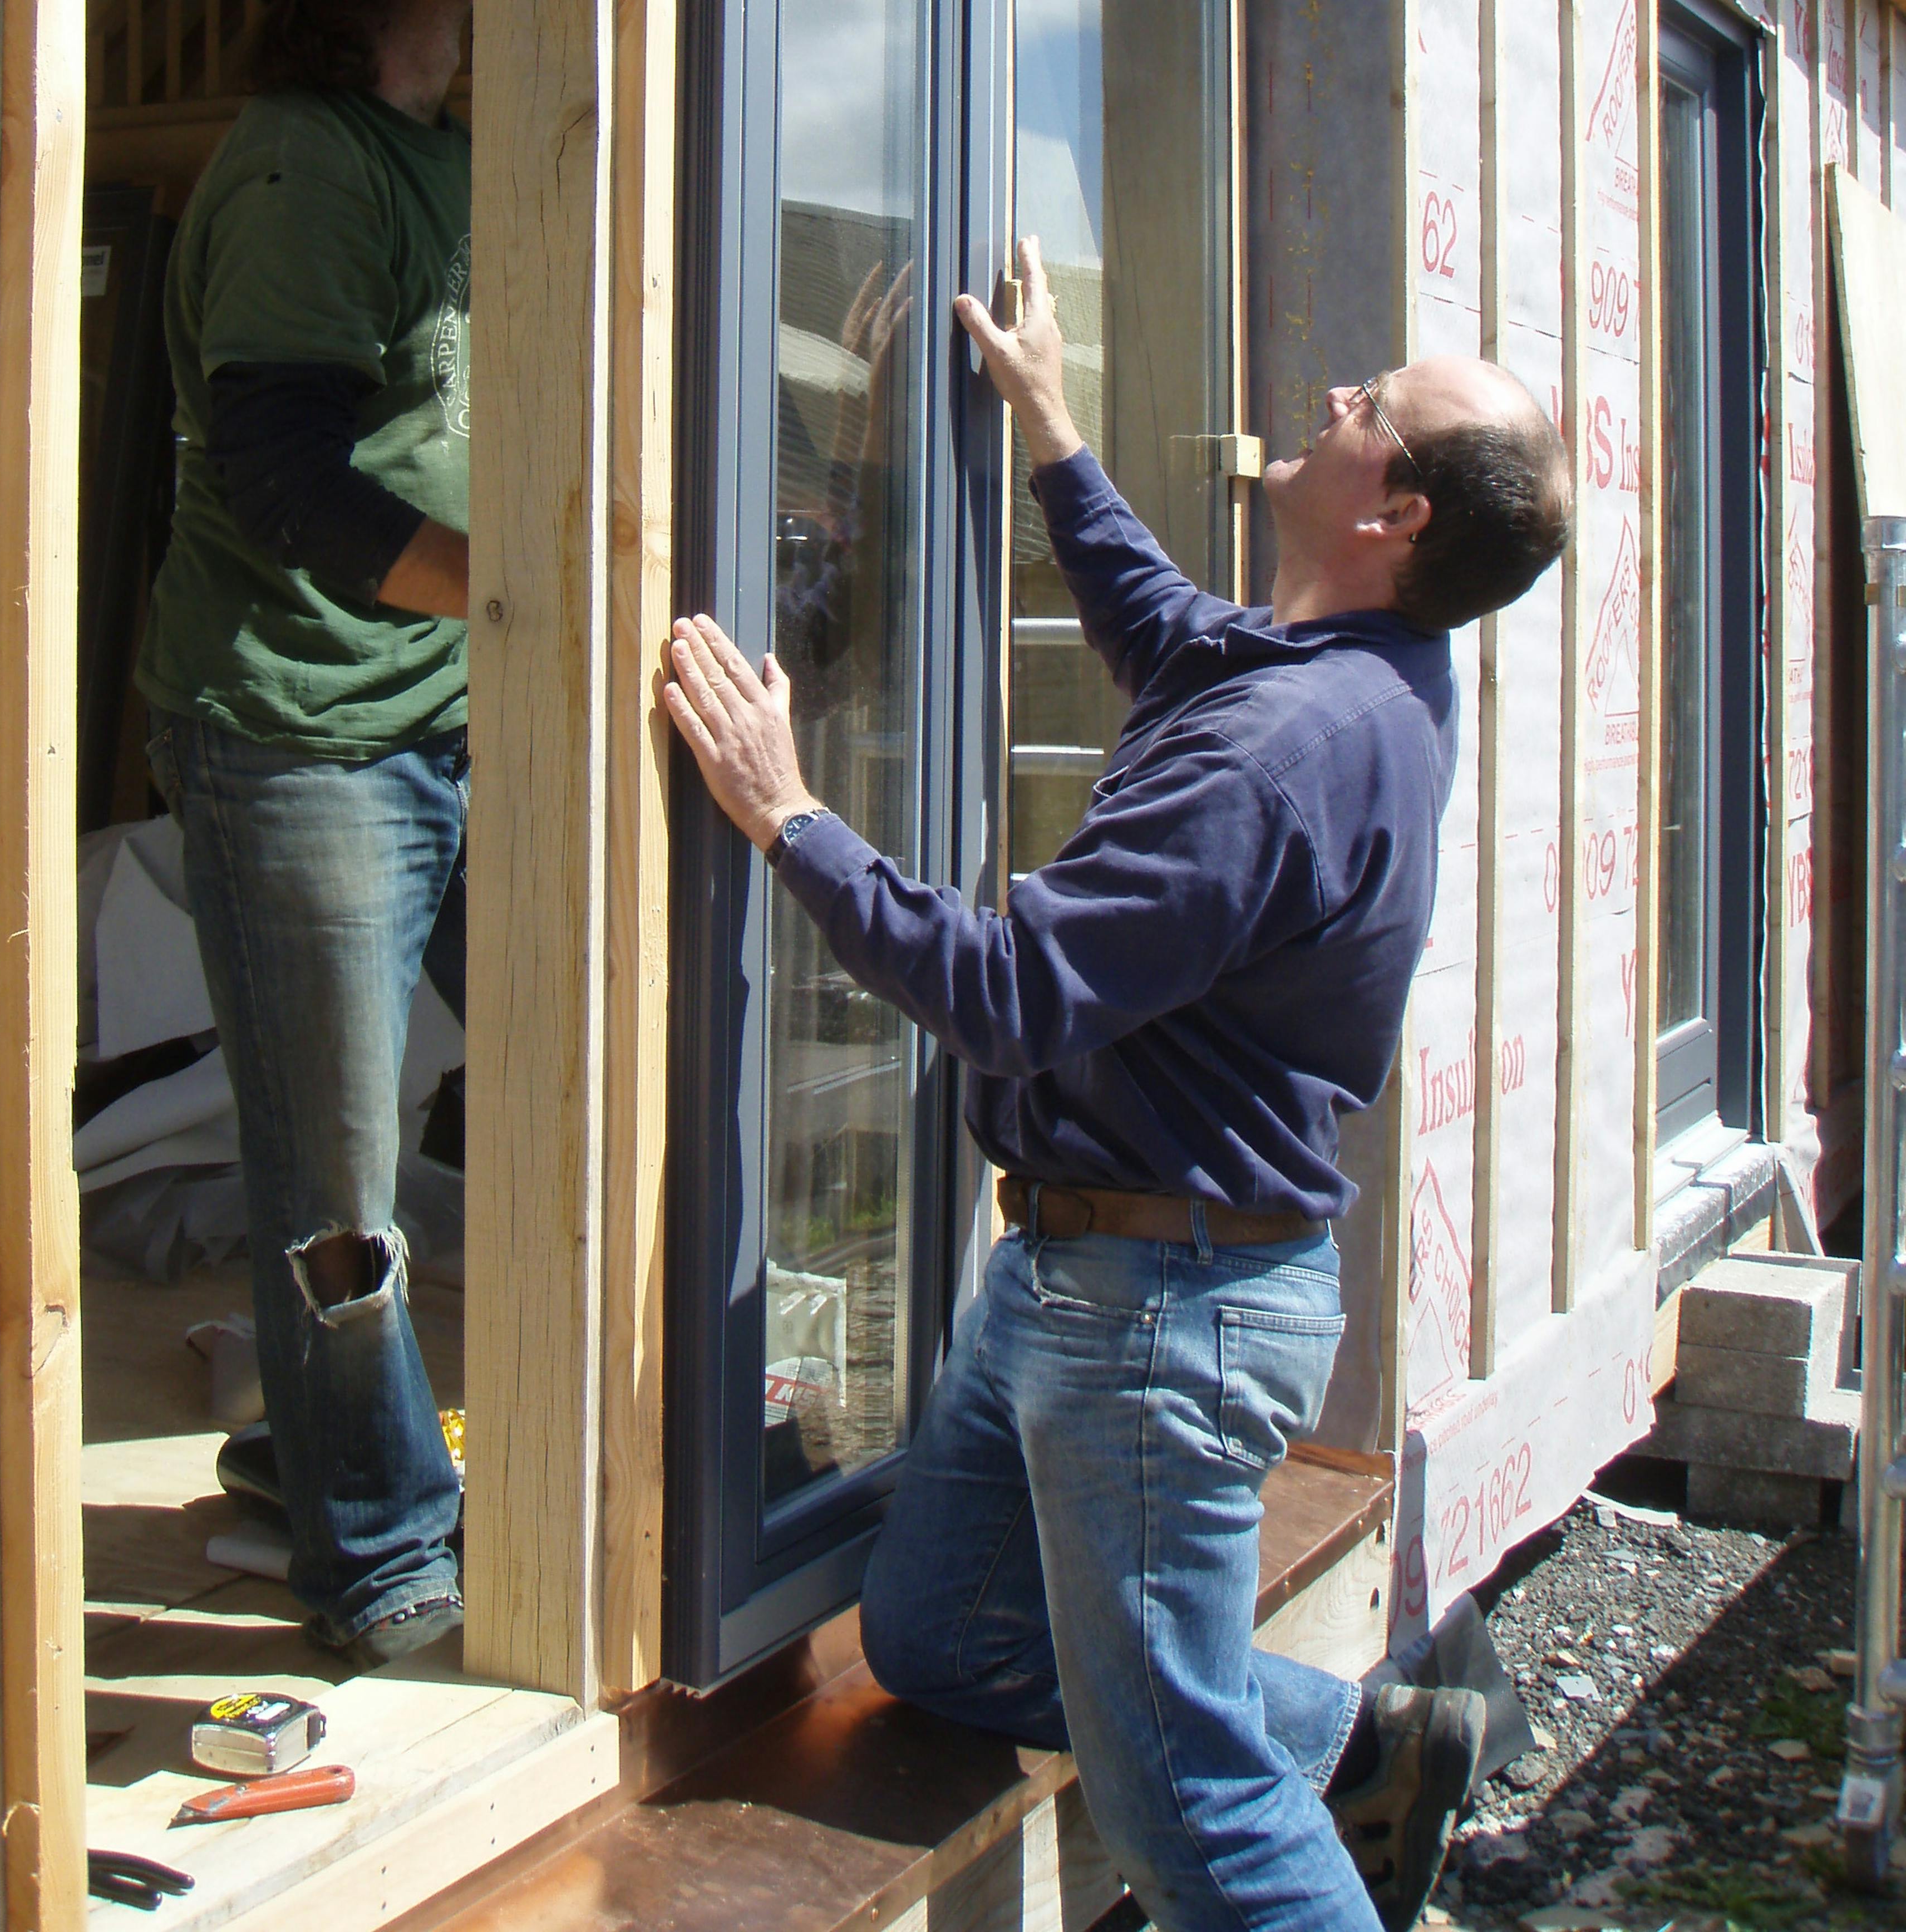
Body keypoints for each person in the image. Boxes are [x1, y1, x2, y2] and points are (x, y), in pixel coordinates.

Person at [660, 236, 1573, 1932]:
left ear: (1401, 515)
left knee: (1192, 1822)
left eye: (1375, 407)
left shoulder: (1282, 751)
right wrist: (1052, 426)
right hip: (1097, 1277)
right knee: (940, 1640)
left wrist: (789, 812)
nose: (1337, 394)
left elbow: (1011, 994)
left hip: (1160, 1312)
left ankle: (1283, 1775)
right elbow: (1166, 632)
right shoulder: (1341, 676)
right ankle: (1376, 1737)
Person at [136, 0, 476, 1667]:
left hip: (459, 713)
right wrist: (521, 605)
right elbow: (289, 474)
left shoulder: (459, 160)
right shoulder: (298, 169)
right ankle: (372, 1551)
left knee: (598, 1077)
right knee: (339, 1185)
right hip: (301, 737)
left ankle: (307, 1448)